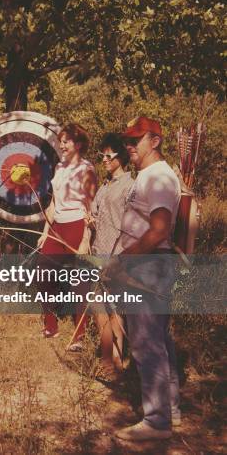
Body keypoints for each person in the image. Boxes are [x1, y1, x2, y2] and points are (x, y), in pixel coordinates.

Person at [104, 117, 181, 441]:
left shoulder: (160, 177)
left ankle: (157, 421)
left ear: (156, 141)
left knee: (147, 343)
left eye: (136, 140)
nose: (129, 146)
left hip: (148, 266)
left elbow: (160, 230)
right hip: (147, 265)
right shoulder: (148, 175)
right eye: (127, 140)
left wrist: (123, 261)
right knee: (158, 341)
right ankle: (170, 410)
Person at [37, 123, 97, 346]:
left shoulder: (87, 170)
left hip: (76, 226)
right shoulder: (60, 167)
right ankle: (51, 326)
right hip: (57, 227)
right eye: (60, 141)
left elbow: (91, 208)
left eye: (66, 141)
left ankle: (79, 335)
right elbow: (53, 202)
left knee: (78, 281)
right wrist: (46, 232)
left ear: (78, 144)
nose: (61, 145)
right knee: (42, 274)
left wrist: (85, 239)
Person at [88, 133, 133, 375]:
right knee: (98, 307)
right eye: (101, 155)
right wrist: (90, 220)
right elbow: (95, 215)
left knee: (116, 309)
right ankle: (108, 359)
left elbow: (130, 226)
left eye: (109, 155)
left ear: (121, 157)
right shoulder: (104, 186)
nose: (104, 159)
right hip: (97, 252)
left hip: (118, 256)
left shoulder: (130, 186)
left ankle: (117, 359)